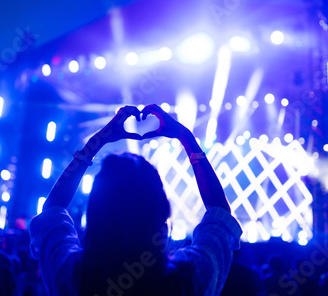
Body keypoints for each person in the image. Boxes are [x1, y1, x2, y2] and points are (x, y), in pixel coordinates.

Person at [30, 104, 242, 296]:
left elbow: (52, 209)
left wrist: (96, 142)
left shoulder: (71, 276)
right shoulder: (189, 278)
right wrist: (184, 136)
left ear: (94, 211)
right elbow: (220, 212)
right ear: (165, 210)